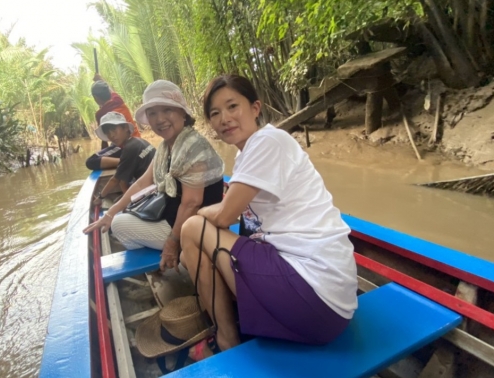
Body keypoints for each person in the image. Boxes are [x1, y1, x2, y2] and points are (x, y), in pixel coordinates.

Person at [180, 75, 357, 355]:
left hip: (313, 296)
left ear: (255, 108)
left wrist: (201, 212)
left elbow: (225, 215)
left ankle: (226, 338)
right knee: (199, 242)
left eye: (232, 106)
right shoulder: (249, 154)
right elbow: (245, 224)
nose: (224, 118)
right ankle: (238, 323)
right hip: (330, 305)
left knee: (192, 228)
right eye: (215, 113)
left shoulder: (268, 141)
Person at [84, 80, 224, 273]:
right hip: (175, 215)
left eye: (167, 110)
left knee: (119, 225)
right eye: (152, 113)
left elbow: (192, 203)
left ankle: (181, 254)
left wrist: (171, 245)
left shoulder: (193, 147)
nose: (160, 119)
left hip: (195, 226)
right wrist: (110, 212)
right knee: (118, 217)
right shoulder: (167, 146)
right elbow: (143, 182)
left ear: (182, 112)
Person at [92, 112, 156, 205]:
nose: (111, 136)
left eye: (114, 130)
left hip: (152, 189)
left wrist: (100, 197)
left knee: (120, 194)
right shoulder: (138, 141)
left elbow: (116, 180)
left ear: (125, 128)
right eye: (108, 133)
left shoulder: (130, 148)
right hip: (153, 183)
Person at [85, 75, 141, 171]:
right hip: (137, 140)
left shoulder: (100, 114)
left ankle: (128, 161)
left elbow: (105, 136)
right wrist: (101, 79)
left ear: (96, 98)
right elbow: (111, 91)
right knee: (111, 147)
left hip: (124, 146)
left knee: (91, 161)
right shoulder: (118, 100)